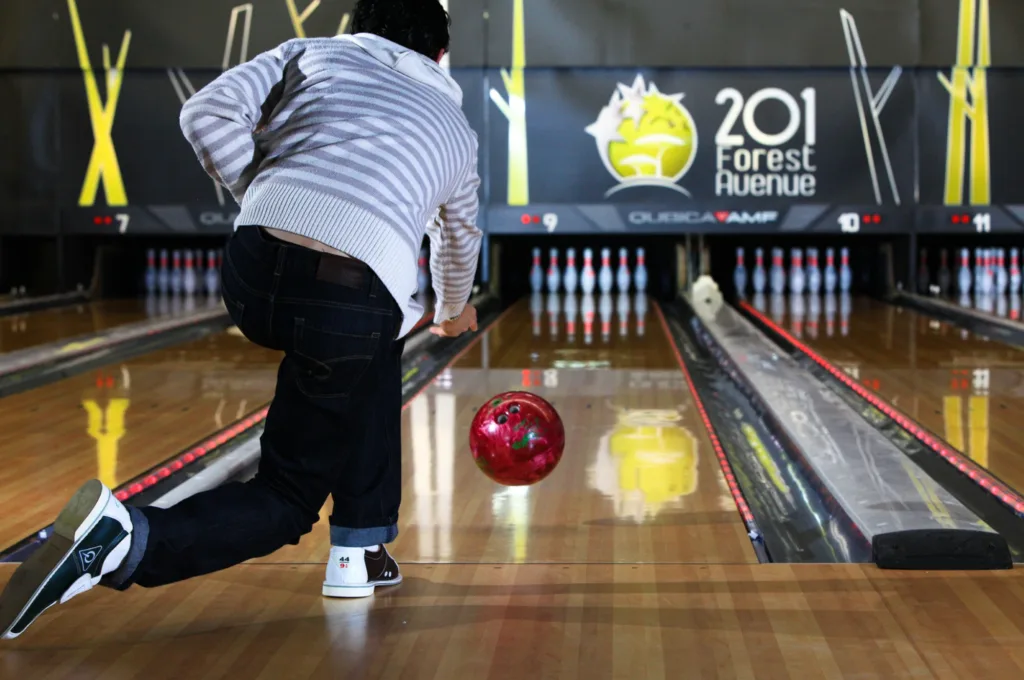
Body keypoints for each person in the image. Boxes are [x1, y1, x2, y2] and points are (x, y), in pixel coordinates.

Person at [0, 0, 481, 640]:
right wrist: (452, 310)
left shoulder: (311, 52)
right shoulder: (455, 127)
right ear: (441, 56)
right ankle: (123, 541)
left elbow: (204, 112)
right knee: (285, 500)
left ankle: (362, 547)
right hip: (351, 296)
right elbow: (460, 235)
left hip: (252, 270)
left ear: (358, 27)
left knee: (381, 340)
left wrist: (263, 191)